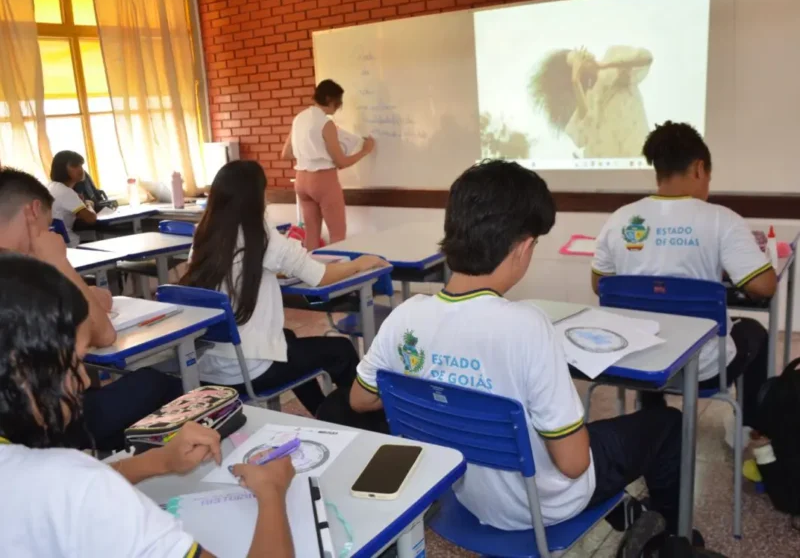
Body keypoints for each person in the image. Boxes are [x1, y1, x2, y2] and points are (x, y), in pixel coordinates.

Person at [343, 160, 685, 534]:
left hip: (464, 494)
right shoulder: (525, 326)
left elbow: (360, 400)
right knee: (667, 425)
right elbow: (573, 464)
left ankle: (626, 513)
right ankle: (669, 539)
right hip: (541, 508)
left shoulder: (404, 318)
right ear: (523, 248)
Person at [0, 254, 296, 558]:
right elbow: (73, 493)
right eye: (73, 363)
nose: (84, 382)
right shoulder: (77, 486)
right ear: (21, 368)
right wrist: (272, 492)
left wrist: (159, 462)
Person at [591, 122, 776, 437]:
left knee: (653, 326)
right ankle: (750, 431)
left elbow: (600, 285)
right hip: (703, 368)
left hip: (635, 359)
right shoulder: (722, 220)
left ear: (658, 171)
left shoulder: (620, 219)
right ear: (699, 168)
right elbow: (764, 286)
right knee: (755, 331)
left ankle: (651, 413)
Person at [181, 160, 388, 416]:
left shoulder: (203, 237)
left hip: (209, 367)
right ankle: (366, 419)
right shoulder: (261, 235)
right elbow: (320, 275)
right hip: (249, 371)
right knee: (341, 350)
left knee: (287, 338)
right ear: (256, 197)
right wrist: (358, 264)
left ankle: (322, 413)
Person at [0, 167, 183, 451]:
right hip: (37, 423)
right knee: (160, 383)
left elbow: (98, 300)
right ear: (33, 211)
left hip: (22, 418)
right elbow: (104, 334)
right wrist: (58, 261)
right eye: (48, 227)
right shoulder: (17, 274)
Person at [282, 79, 376, 250]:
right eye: (338, 102)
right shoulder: (326, 123)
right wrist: (365, 151)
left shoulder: (299, 118)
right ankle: (339, 275)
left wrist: (309, 153)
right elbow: (341, 162)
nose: (339, 107)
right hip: (323, 181)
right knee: (338, 234)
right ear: (329, 99)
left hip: (301, 181)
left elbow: (286, 154)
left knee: (311, 233)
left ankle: (311, 274)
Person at [530, 46, 653, 159]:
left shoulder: (614, 60)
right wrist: (575, 81)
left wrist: (602, 66)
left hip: (636, 159)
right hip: (607, 168)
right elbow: (582, 135)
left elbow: (646, 59)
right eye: (580, 58)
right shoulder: (588, 99)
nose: (585, 55)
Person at [48, 150, 98, 246]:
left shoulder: (52, 186)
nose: (80, 169)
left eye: (81, 165)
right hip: (69, 244)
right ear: (61, 169)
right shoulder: (65, 192)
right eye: (74, 166)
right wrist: (88, 204)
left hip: (54, 243)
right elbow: (91, 218)